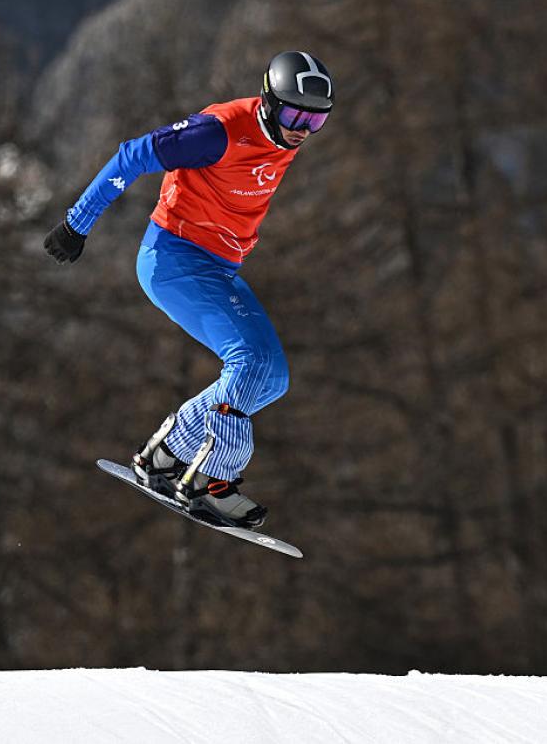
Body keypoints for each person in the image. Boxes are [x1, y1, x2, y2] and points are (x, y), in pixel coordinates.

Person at [44, 51, 334, 529]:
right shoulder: (218, 131)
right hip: (174, 259)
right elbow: (132, 154)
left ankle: (167, 455)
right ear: (267, 100)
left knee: (272, 378)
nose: (302, 128)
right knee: (251, 361)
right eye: (294, 113)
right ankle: (211, 481)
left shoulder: (284, 134)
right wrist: (77, 225)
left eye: (316, 119)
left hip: (216, 267)